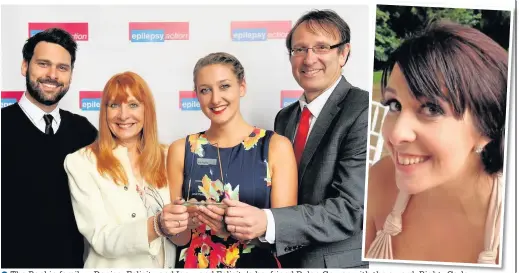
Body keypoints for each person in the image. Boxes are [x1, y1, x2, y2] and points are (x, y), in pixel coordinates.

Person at [222, 9, 369, 268]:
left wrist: (267, 221)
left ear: (344, 53)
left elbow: (350, 210)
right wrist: (235, 217)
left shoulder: (363, 109)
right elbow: (282, 197)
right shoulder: (285, 118)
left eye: (321, 47)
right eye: (299, 49)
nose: (309, 59)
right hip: (284, 260)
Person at [364, 20, 508, 264]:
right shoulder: (378, 182)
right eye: (394, 105)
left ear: (487, 126)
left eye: (431, 109)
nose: (397, 134)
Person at [166, 52, 298, 268]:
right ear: (197, 95)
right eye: (205, 90)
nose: (215, 99)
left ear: (242, 86)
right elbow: (179, 238)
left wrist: (231, 228)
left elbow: (286, 234)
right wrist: (178, 223)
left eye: (224, 86)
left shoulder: (276, 146)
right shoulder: (181, 149)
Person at [1, 28, 98, 268]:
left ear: (71, 75)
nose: (52, 75)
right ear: (25, 66)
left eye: (62, 68)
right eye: (43, 64)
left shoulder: (84, 131)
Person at [64, 71, 181, 268]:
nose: (123, 115)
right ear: (105, 111)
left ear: (147, 110)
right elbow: (101, 238)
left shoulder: (169, 155)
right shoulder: (80, 162)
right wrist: (157, 226)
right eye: (114, 105)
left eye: (133, 105)